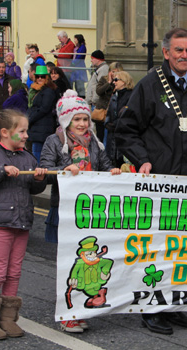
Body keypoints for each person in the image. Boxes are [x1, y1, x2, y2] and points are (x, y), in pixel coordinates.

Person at [115, 27, 187, 335]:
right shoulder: (149, 86)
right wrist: (143, 160)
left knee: (185, 250)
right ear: (166, 52)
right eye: (178, 50)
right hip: (160, 185)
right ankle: (153, 308)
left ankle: (176, 305)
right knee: (157, 250)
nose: (184, 56)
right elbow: (126, 130)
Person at [40, 90, 121, 332]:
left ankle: (79, 309)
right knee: (69, 261)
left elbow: (105, 165)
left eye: (85, 119)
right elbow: (45, 169)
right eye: (77, 119)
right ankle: (67, 313)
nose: (83, 124)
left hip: (89, 210)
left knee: (89, 264)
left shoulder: (95, 142)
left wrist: (114, 171)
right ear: (66, 120)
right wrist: (66, 168)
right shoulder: (54, 141)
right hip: (64, 207)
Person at [0, 109, 47, 340]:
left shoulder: (27, 157)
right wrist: (0, 171)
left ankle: (7, 318)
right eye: (21, 131)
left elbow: (32, 188)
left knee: (14, 272)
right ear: (5, 132)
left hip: (21, 222)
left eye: (26, 131)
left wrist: (39, 179)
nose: (26, 135)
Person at [28, 65, 58, 164]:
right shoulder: (38, 90)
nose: (40, 78)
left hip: (42, 127)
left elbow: (44, 108)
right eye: (38, 76)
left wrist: (31, 118)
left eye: (42, 76)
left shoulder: (48, 91)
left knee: (38, 154)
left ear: (47, 78)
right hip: (38, 127)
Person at [104, 71, 134, 167]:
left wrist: (117, 123)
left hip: (124, 133)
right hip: (112, 133)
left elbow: (130, 115)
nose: (114, 82)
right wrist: (107, 123)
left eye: (116, 80)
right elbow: (109, 112)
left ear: (124, 81)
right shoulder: (114, 96)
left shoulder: (132, 96)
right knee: (112, 159)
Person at [96, 62, 124, 143]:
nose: (114, 74)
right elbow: (99, 91)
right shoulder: (103, 79)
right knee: (100, 136)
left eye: (116, 72)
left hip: (113, 112)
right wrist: (109, 82)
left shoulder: (121, 81)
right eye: (112, 71)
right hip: (102, 110)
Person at [85, 50, 109, 139]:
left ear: (97, 59)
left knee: (99, 131)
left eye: (92, 59)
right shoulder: (99, 69)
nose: (91, 60)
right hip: (95, 103)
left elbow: (100, 86)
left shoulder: (103, 69)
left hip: (98, 104)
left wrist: (94, 100)